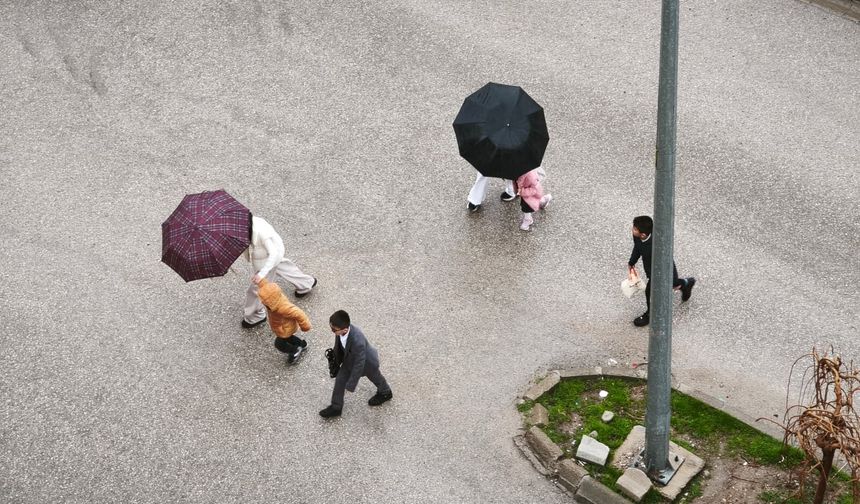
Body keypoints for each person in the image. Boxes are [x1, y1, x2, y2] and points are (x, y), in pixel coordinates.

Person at [242, 214, 317, 328]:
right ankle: (305, 283)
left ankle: (254, 316)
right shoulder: (251, 223)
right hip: (271, 256)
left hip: (268, 260)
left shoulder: (261, 233)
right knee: (281, 265)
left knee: (255, 290)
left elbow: (273, 254)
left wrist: (262, 274)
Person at [319, 310, 393, 418]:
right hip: (350, 360)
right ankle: (336, 407)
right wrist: (335, 361)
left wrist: (350, 384)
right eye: (331, 328)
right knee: (340, 379)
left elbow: (359, 364)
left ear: (344, 329)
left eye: (333, 329)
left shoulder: (357, 341)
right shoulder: (340, 331)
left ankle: (386, 392)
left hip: (367, 363)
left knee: (375, 377)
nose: (332, 331)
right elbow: (339, 346)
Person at [627, 215, 695, 327]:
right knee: (649, 291)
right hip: (651, 270)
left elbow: (666, 259)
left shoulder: (657, 243)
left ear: (643, 234)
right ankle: (650, 313)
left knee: (672, 283)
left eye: (634, 229)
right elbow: (638, 247)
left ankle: (687, 283)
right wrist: (631, 262)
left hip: (664, 266)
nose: (632, 230)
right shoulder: (638, 237)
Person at [255, 277, 311, 363]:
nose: (263, 303)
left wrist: (305, 326)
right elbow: (267, 287)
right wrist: (260, 281)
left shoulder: (283, 308)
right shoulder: (275, 299)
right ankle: (302, 344)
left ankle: (294, 350)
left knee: (279, 344)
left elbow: (298, 313)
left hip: (285, 328)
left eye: (265, 302)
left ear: (270, 301)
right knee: (289, 338)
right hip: (282, 327)